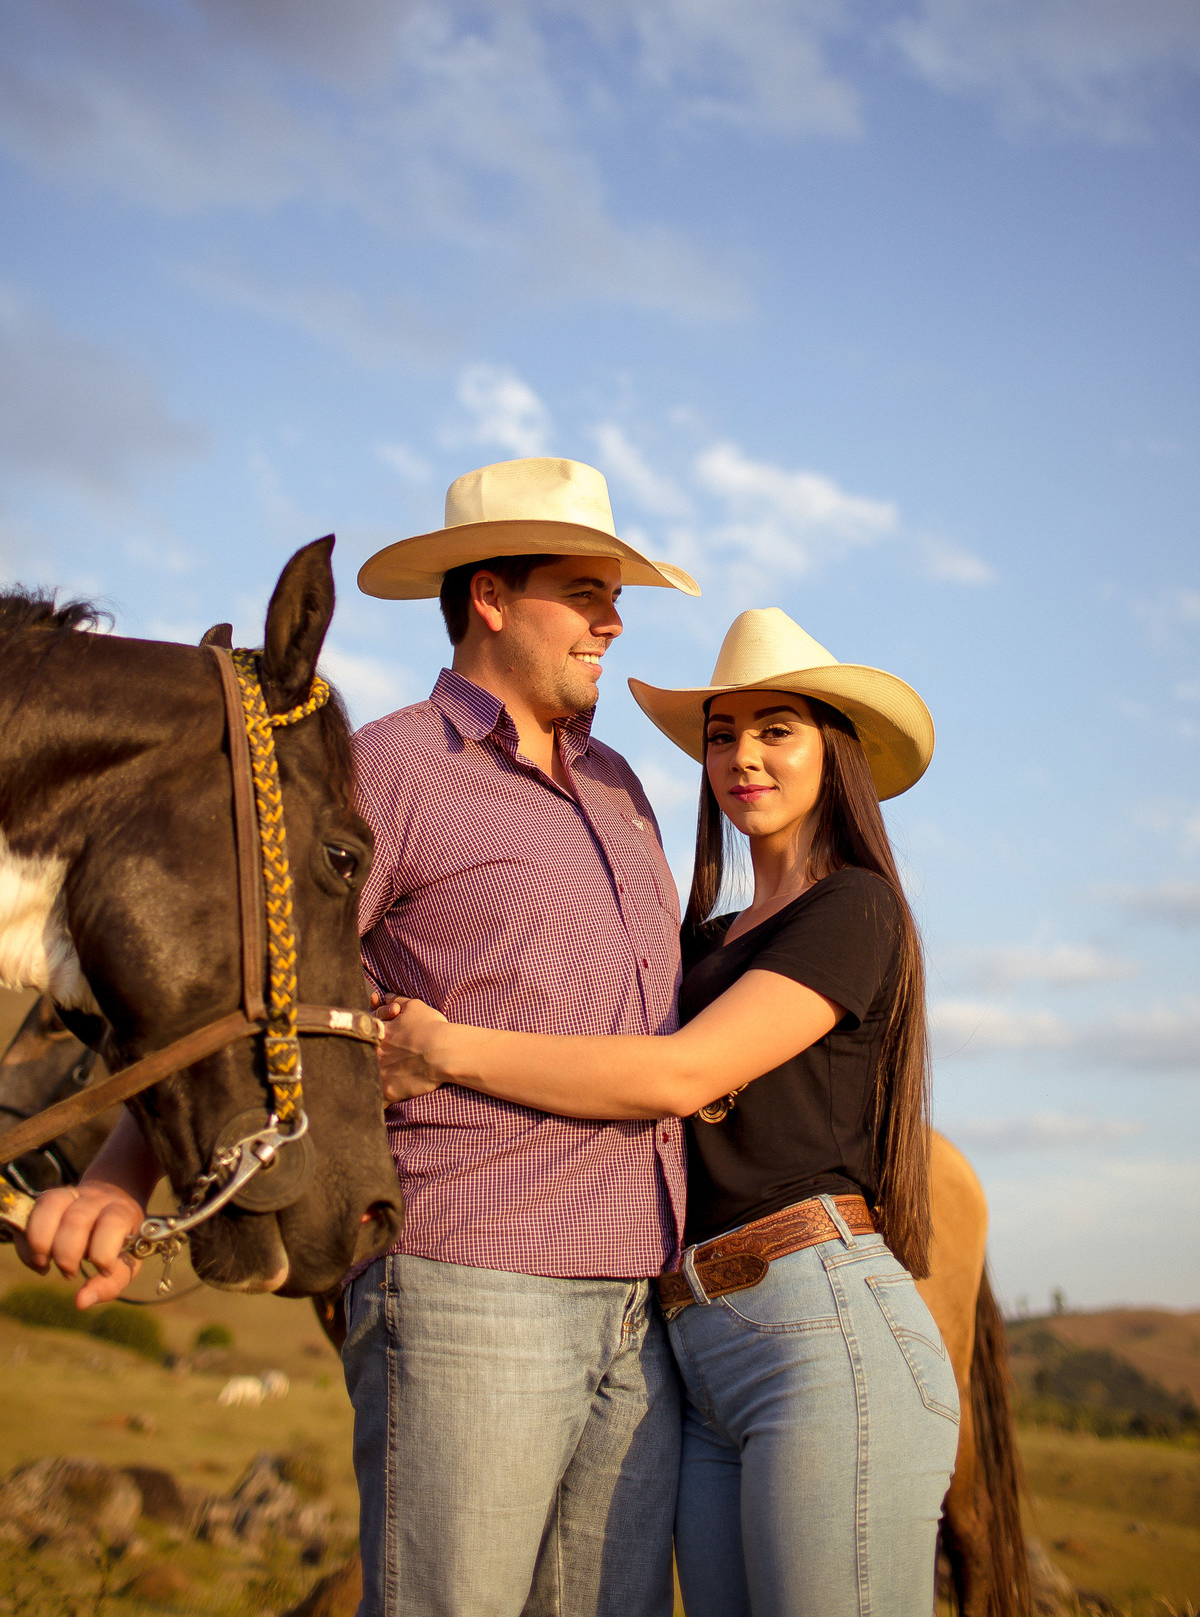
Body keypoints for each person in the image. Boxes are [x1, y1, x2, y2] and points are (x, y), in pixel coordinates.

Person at [379, 605, 960, 1617]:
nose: (744, 756)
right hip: (697, 1347)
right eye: (722, 734)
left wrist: (447, 1049)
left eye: (778, 729)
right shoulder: (707, 939)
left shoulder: (856, 908)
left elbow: (680, 1075)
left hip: (819, 1328)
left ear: (837, 754)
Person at [345, 455, 700, 1617]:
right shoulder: (390, 767)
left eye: (616, 598)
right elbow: (273, 982)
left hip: (638, 1298)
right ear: (488, 595)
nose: (610, 623)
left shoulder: (622, 787)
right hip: (470, 1275)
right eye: (584, 593)